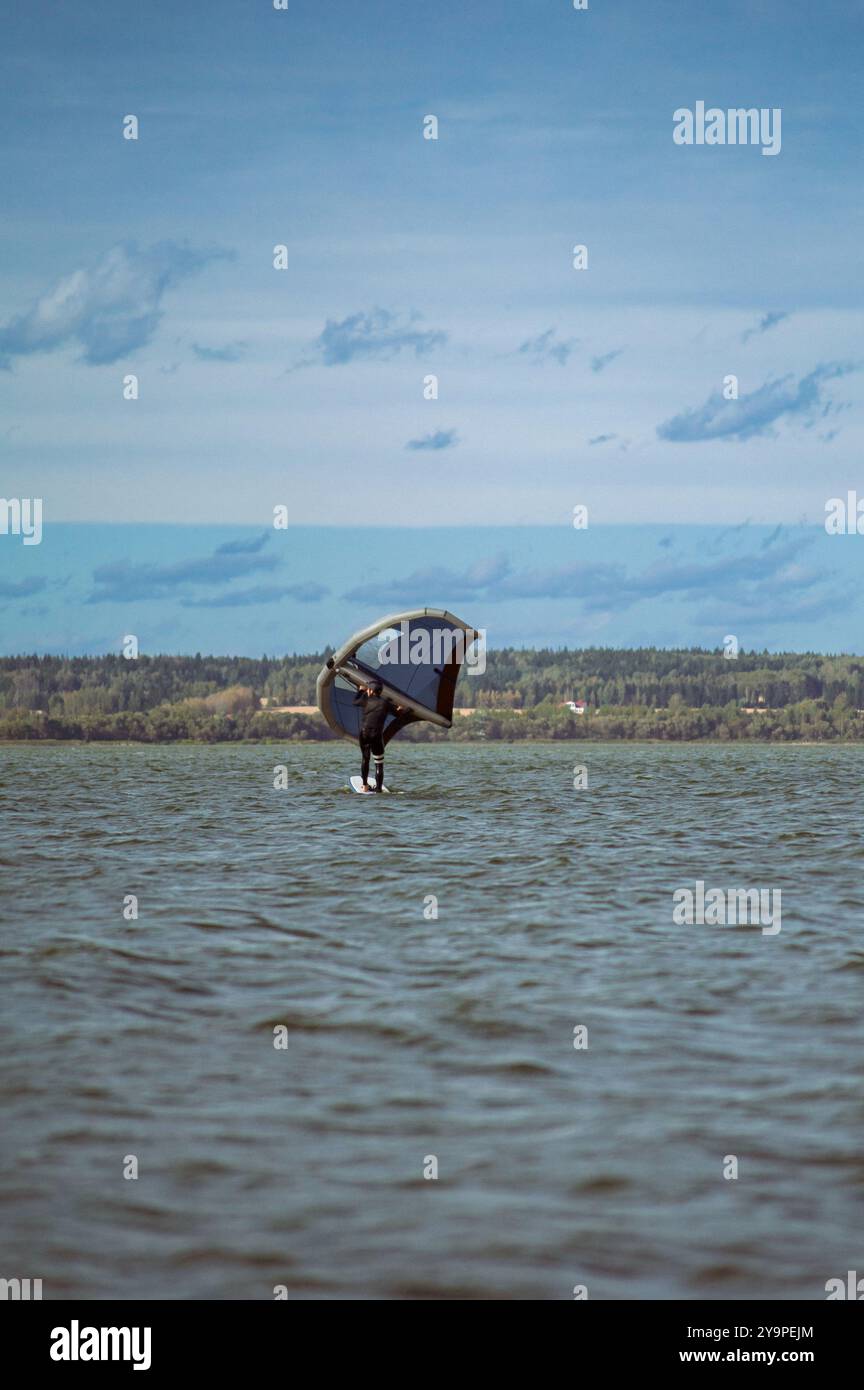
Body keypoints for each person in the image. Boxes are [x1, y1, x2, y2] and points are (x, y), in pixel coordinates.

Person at [353, 678, 404, 792]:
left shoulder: (365, 700)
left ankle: (365, 786)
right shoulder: (385, 703)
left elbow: (355, 702)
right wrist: (401, 709)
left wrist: (360, 691)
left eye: (368, 689)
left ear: (371, 691)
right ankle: (379, 789)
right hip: (376, 735)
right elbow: (397, 714)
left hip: (364, 733)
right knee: (379, 763)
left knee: (365, 759)